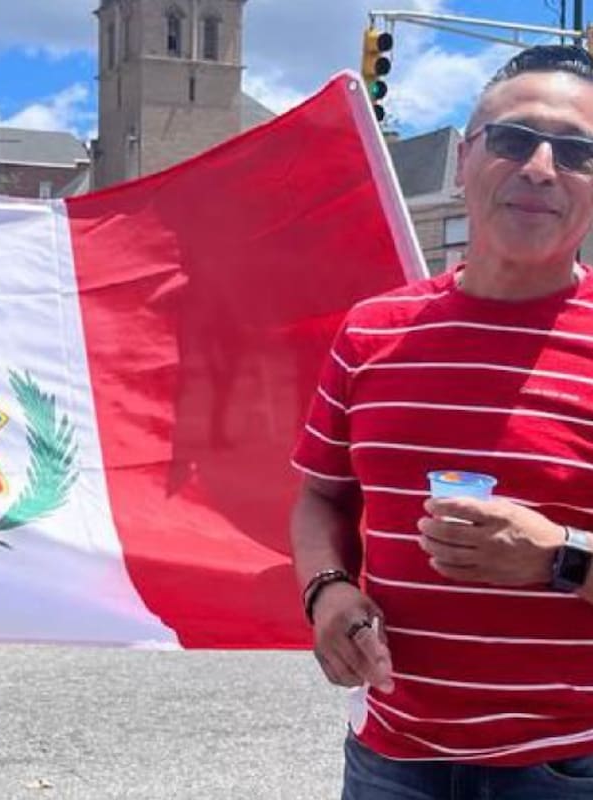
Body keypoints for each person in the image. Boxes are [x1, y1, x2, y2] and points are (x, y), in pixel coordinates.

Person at [291, 44, 593, 798]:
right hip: (391, 758)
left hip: (568, 763)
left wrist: (564, 559)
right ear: (465, 158)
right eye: (515, 139)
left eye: (578, 151)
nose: (541, 167)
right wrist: (326, 590)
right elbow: (321, 494)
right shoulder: (372, 332)